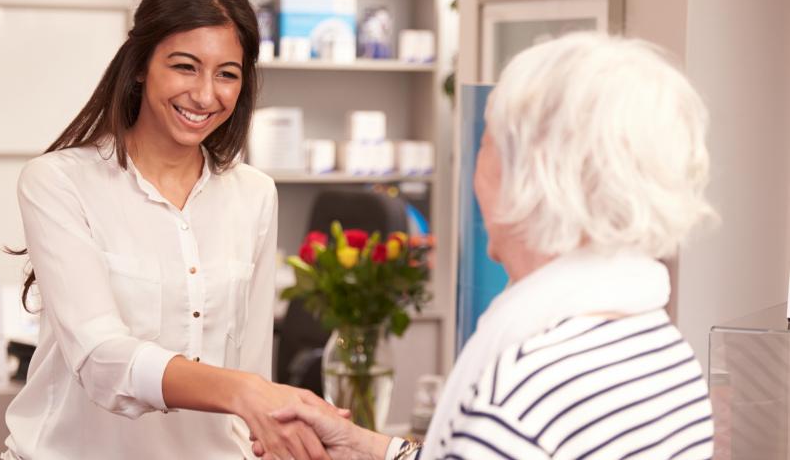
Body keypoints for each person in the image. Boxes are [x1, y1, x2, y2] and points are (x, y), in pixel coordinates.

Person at [253, 32, 717, 459]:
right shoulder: (664, 351)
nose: (474, 168)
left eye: (487, 143)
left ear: (531, 177)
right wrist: (361, 446)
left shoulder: (520, 393)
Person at [2, 0, 339, 460]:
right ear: (140, 65)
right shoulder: (58, 182)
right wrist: (242, 391)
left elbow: (253, 364)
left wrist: (267, 418)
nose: (205, 95)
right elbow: (101, 357)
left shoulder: (255, 194)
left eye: (227, 73)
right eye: (185, 67)